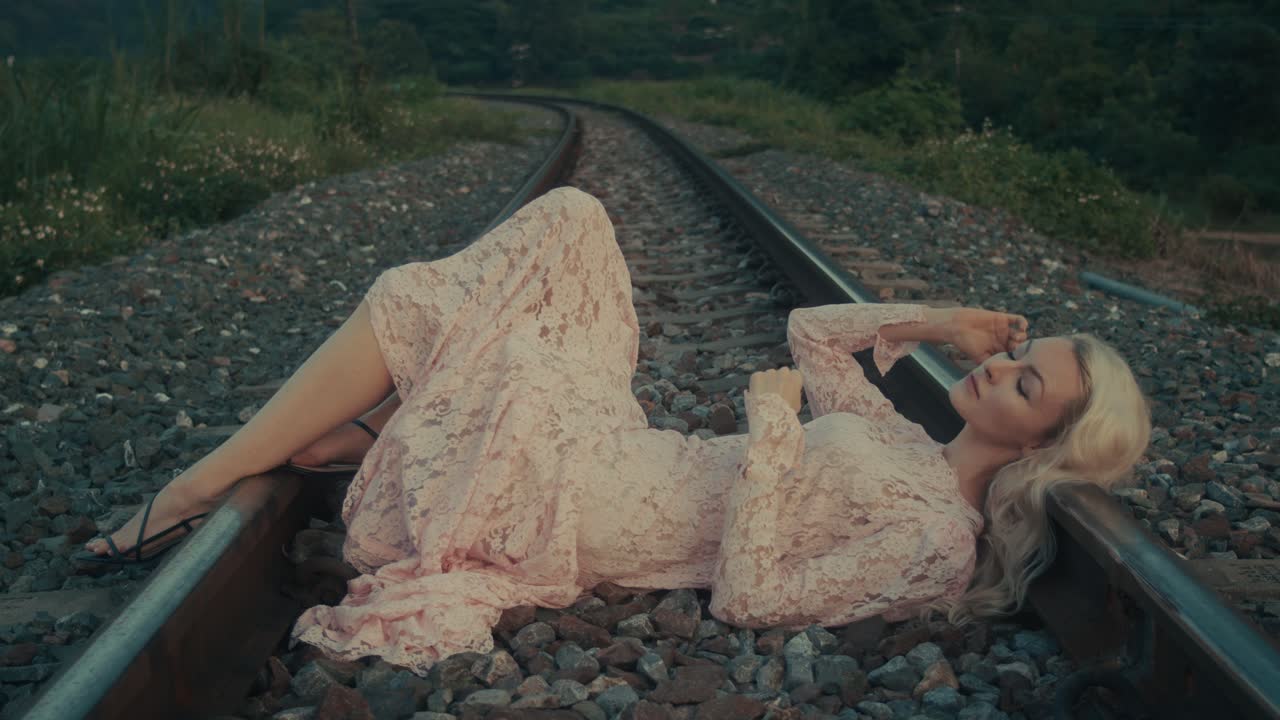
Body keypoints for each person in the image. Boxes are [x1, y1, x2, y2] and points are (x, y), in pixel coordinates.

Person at [74, 186, 1151, 675]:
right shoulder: (909, 448)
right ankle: (387, 431)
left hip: (587, 508)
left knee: (472, 323)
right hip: (622, 449)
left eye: (1023, 387)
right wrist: (930, 324)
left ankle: (201, 484)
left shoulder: (935, 543)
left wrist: (774, 437)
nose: (1001, 370)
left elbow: (754, 600)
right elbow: (813, 338)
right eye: (1015, 354)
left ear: (1036, 449)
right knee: (575, 224)